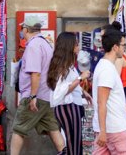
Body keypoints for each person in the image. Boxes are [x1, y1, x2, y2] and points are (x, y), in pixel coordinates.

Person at [10, 21, 64, 155]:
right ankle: (65, 152)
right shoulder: (45, 43)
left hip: (34, 96)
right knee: (53, 129)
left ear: (26, 30)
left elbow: (36, 73)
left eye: (22, 29)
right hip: (46, 95)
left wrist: (32, 96)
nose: (21, 31)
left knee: (18, 129)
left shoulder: (33, 45)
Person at [93, 27, 126, 155]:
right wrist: (103, 131)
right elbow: (102, 103)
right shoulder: (107, 70)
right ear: (115, 47)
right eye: (123, 45)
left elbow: (114, 100)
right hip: (115, 129)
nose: (124, 48)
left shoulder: (105, 66)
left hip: (109, 129)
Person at [48, 32, 92, 155]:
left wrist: (83, 92)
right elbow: (63, 89)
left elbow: (67, 84)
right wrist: (81, 78)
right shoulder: (63, 66)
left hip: (69, 107)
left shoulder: (66, 64)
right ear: (69, 46)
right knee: (74, 144)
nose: (78, 47)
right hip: (68, 107)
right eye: (76, 44)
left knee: (74, 143)